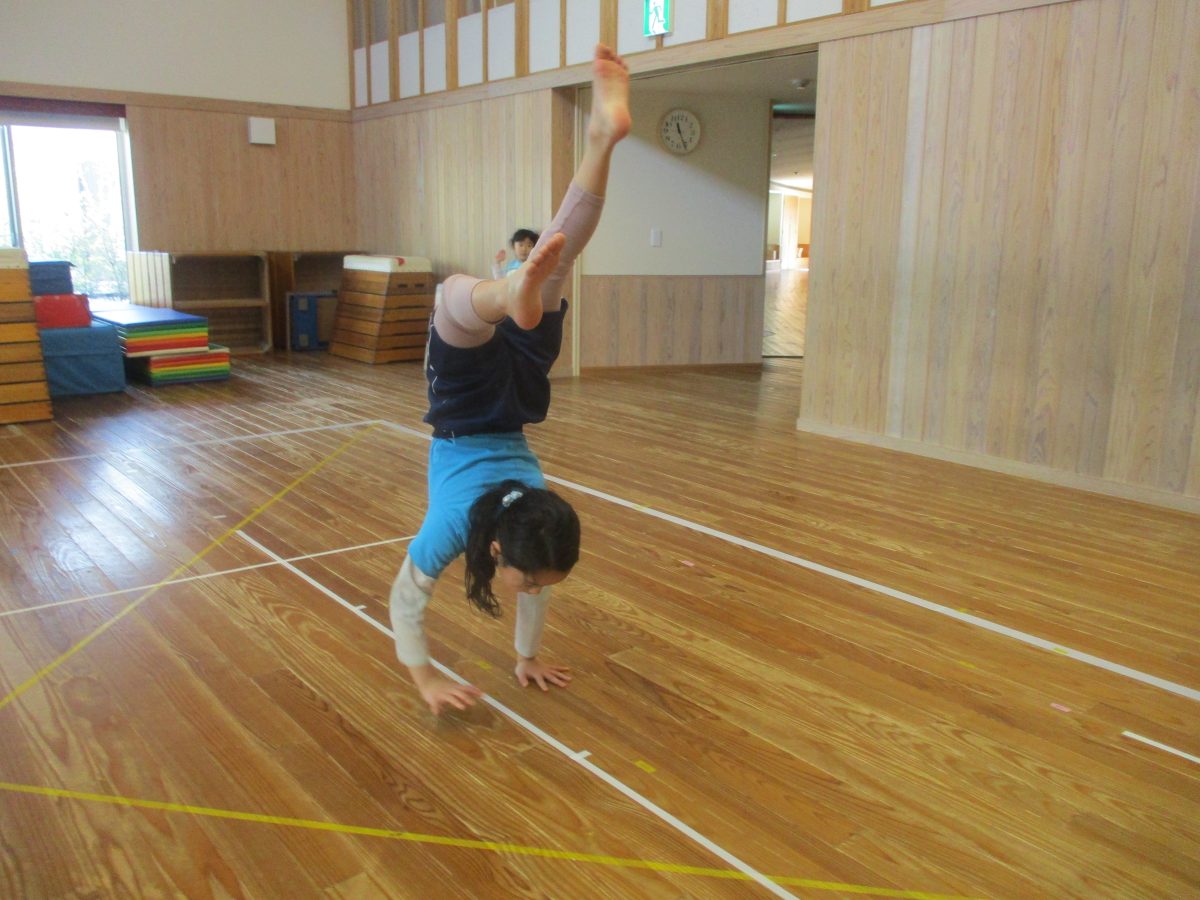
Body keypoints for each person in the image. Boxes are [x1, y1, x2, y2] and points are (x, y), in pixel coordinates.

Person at [390, 44, 631, 715]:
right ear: (497, 548)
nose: (533, 589)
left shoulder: (537, 517)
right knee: (451, 301)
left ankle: (600, 140)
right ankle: (506, 289)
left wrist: (527, 657)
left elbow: (526, 581)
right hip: (468, 412)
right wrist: (425, 679)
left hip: (520, 399)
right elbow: (405, 599)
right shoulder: (457, 526)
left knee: (557, 256)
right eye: (531, 581)